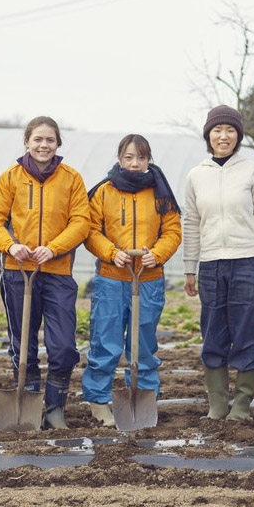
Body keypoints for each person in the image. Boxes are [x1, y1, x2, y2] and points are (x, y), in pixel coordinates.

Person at [0, 116, 90, 429]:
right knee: (23, 343)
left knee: (62, 346)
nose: (44, 145)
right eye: (38, 139)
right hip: (19, 273)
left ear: (58, 143)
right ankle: (28, 405)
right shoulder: (11, 178)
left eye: (50, 140)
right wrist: (10, 246)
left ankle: (55, 409)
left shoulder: (71, 178)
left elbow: (81, 222)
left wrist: (55, 247)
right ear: (27, 142)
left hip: (57, 272)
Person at [183, 105, 254, 422]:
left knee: (248, 334)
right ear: (208, 135)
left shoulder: (252, 171)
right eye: (217, 130)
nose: (224, 136)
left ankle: (241, 406)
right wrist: (189, 268)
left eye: (230, 130)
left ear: (238, 136)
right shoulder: (197, 174)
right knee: (213, 334)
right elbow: (191, 223)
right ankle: (217, 405)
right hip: (211, 265)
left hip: (249, 262)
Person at [82, 134, 182, 426]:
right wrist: (111, 253)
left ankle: (145, 396)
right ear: (119, 159)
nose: (135, 163)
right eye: (129, 157)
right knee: (106, 340)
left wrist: (158, 254)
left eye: (141, 157)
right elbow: (90, 230)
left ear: (149, 159)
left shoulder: (161, 193)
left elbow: (173, 230)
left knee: (144, 344)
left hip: (148, 278)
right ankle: (99, 401)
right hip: (112, 277)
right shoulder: (104, 192)